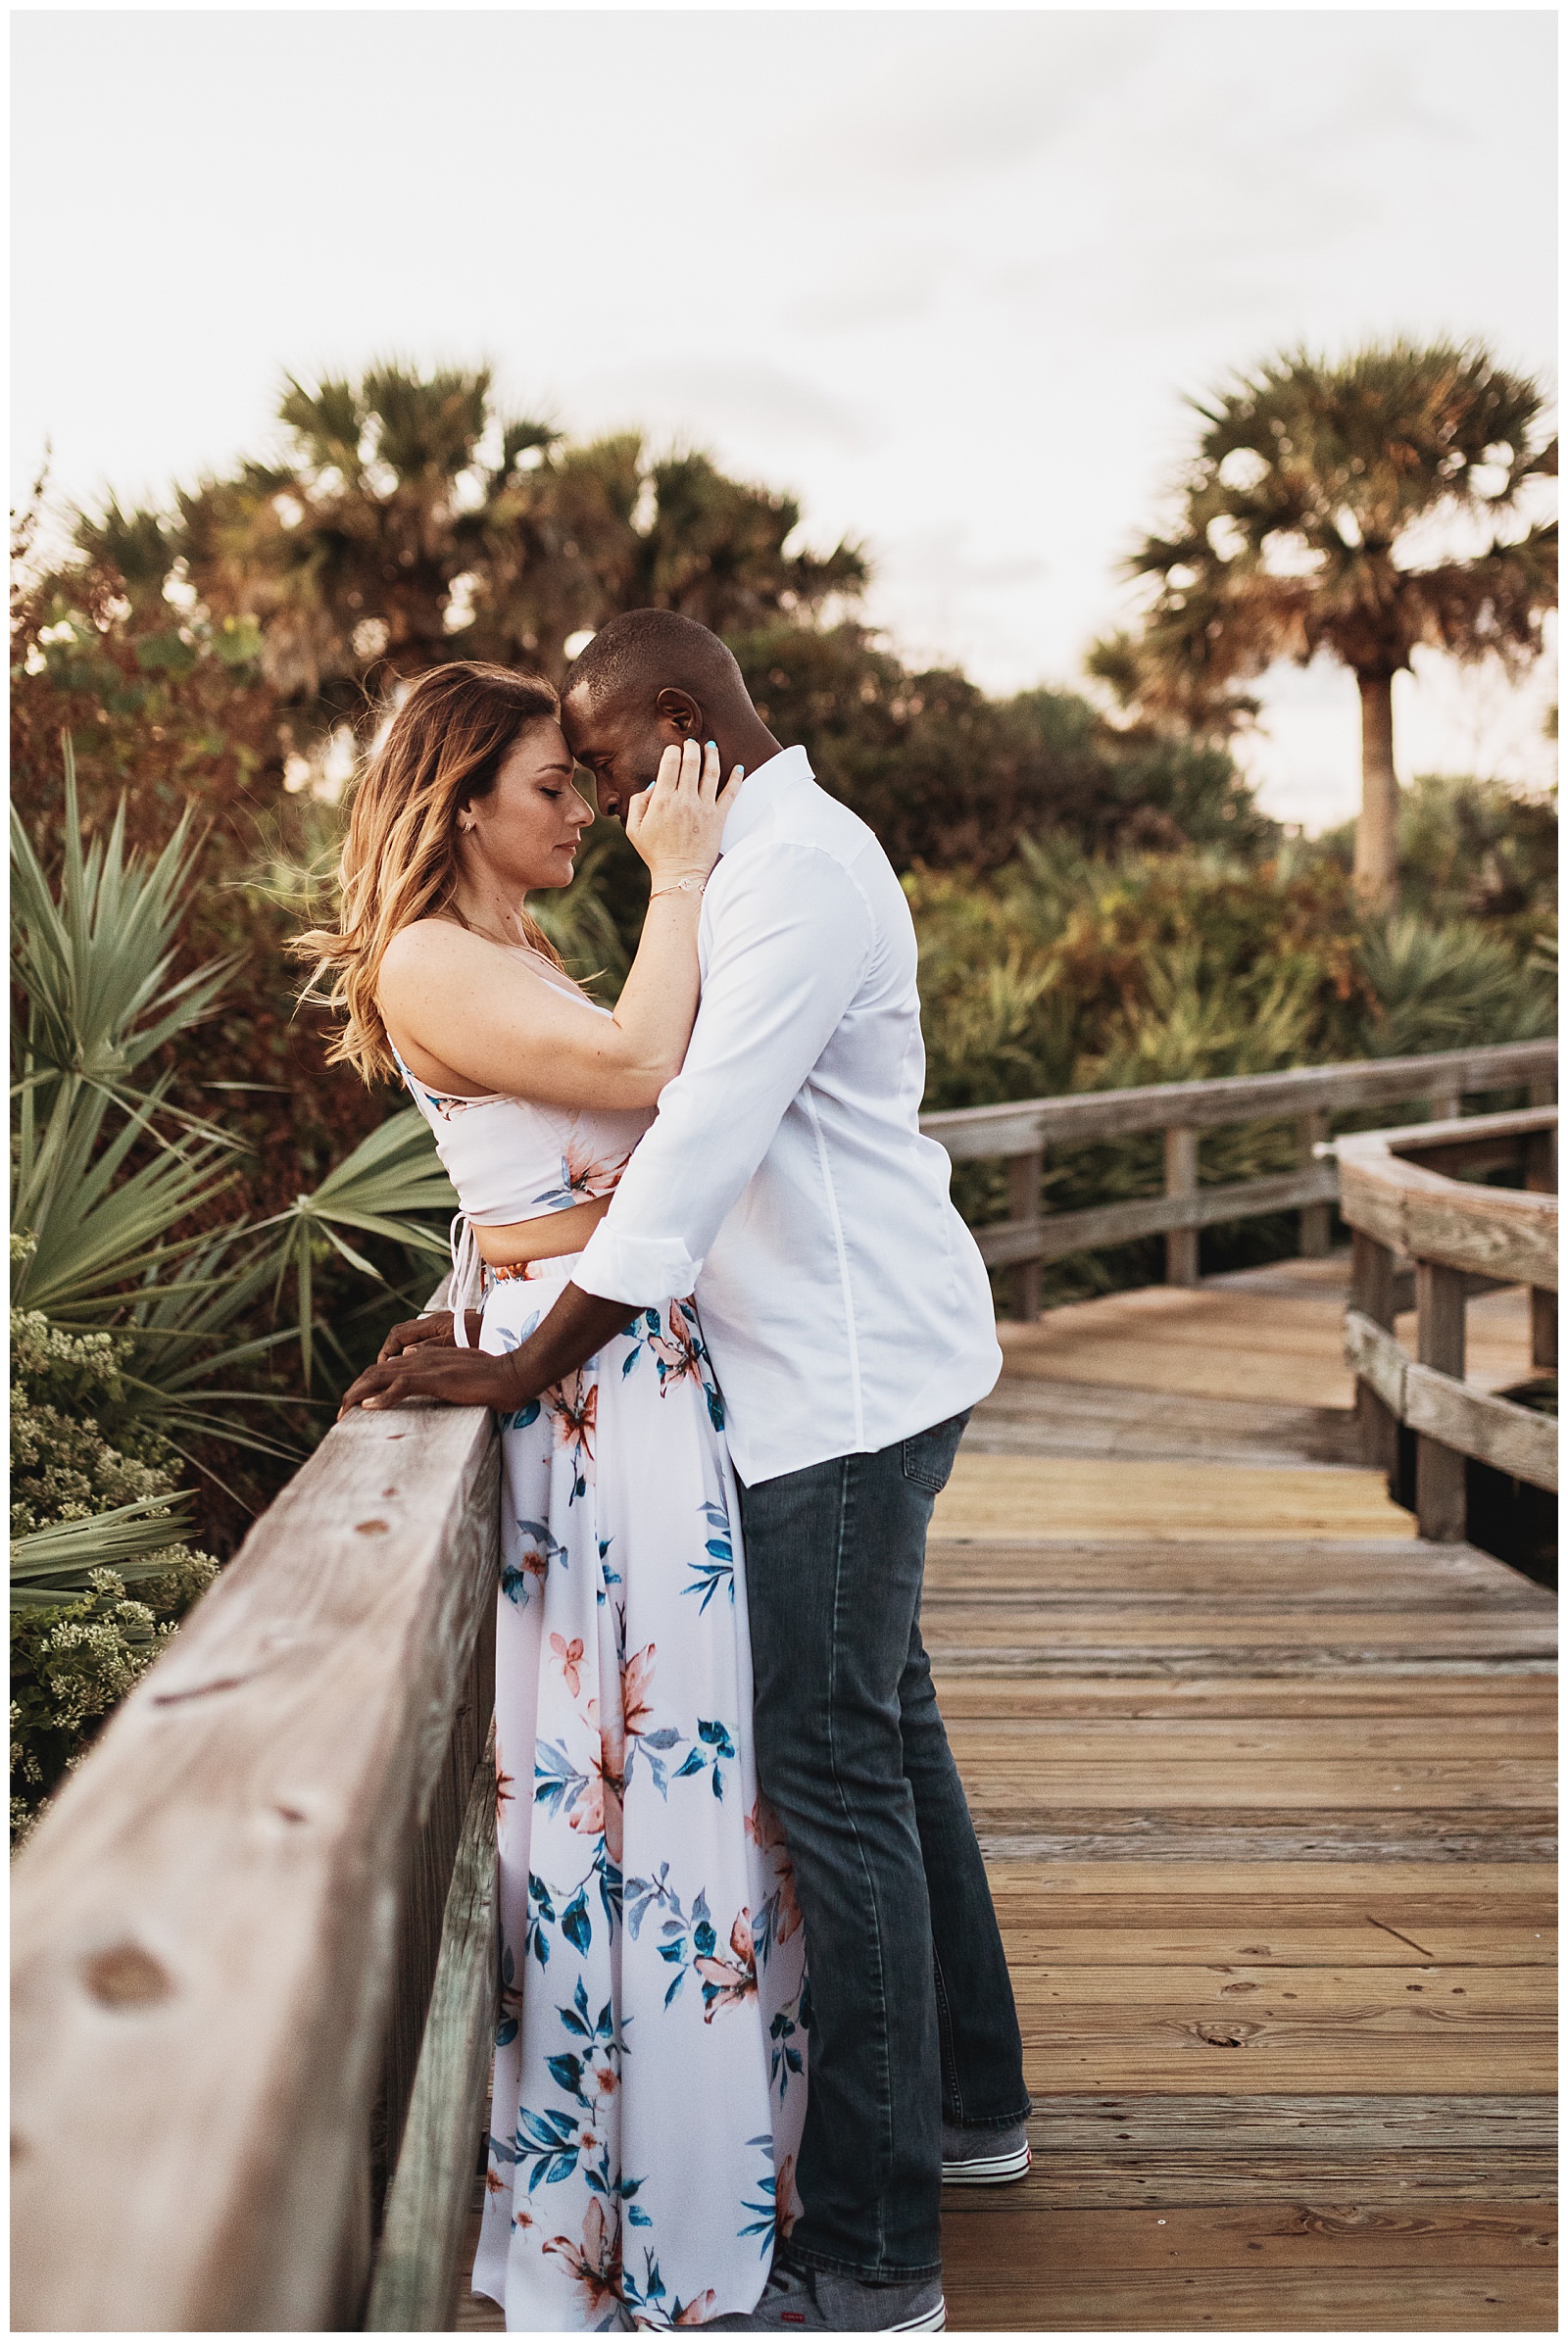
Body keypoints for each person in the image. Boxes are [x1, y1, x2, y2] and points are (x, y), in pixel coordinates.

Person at [347, 613, 1031, 2336]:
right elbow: (606, 1140)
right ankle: (965, 2108)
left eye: (595, 757)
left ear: (672, 721)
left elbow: (680, 1146)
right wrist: (494, 1314)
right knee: (870, 1728)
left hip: (831, 1380)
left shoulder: (781, 875)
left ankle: (876, 2257)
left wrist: (516, 1356)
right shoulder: (738, 864)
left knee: (826, 1760)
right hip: (762, 1377)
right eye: (548, 777)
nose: (592, 801)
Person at [303, 661, 808, 2332]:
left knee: (666, 1766)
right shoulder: (435, 956)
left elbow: (537, 1164)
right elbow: (639, 1070)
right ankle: (637, 2216)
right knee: (631, 1769)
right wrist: (677, 876)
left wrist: (469, 1273)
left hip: (618, 1369)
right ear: (461, 804)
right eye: (549, 784)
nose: (584, 807)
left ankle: (678, 2179)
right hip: (590, 1385)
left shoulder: (498, 940)